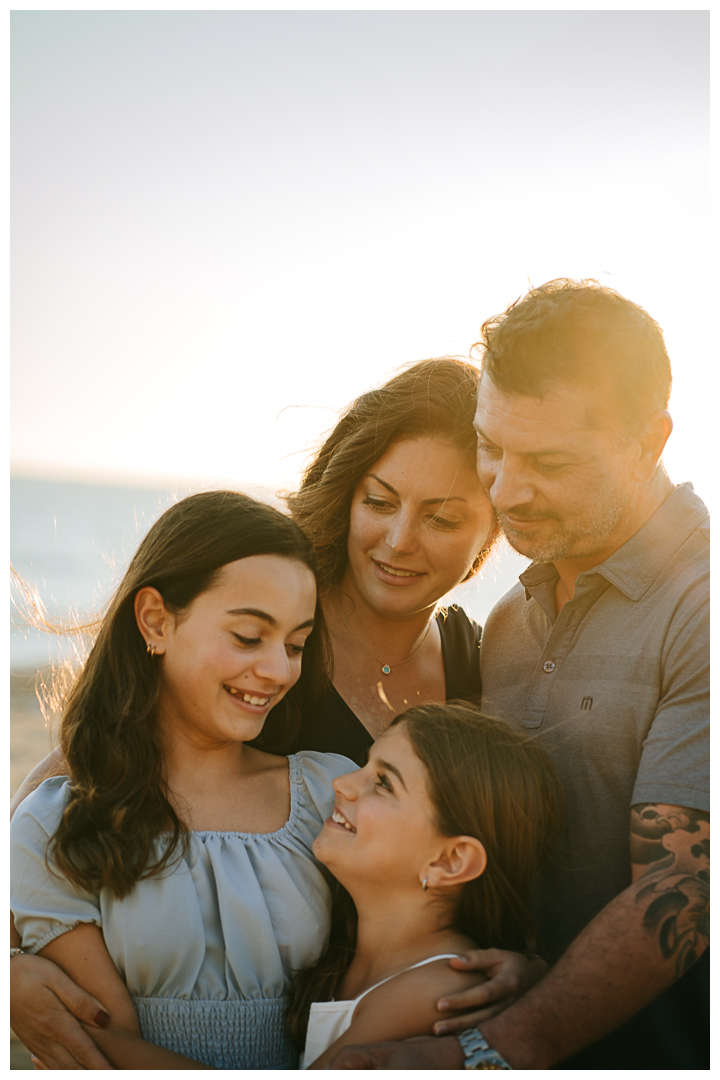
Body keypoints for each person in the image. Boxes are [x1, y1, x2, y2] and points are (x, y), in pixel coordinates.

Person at [326, 279, 709, 1070]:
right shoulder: (507, 621)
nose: (505, 488)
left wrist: (488, 1050)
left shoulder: (702, 608)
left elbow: (685, 889)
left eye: (549, 461)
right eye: (492, 448)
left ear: (651, 440)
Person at [11, 490, 357, 1069]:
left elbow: (399, 958)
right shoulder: (55, 827)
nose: (278, 670)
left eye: (296, 645)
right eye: (249, 636)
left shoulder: (329, 792)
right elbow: (109, 1051)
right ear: (155, 621)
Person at [289, 703, 563, 1068]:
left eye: (384, 783)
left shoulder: (440, 992)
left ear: (448, 862)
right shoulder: (339, 948)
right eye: (364, 763)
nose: (342, 783)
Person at [273, 356, 499, 762]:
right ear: (346, 498)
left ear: (496, 529)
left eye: (442, 519)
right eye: (379, 503)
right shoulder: (263, 630)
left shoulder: (492, 668)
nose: (399, 542)